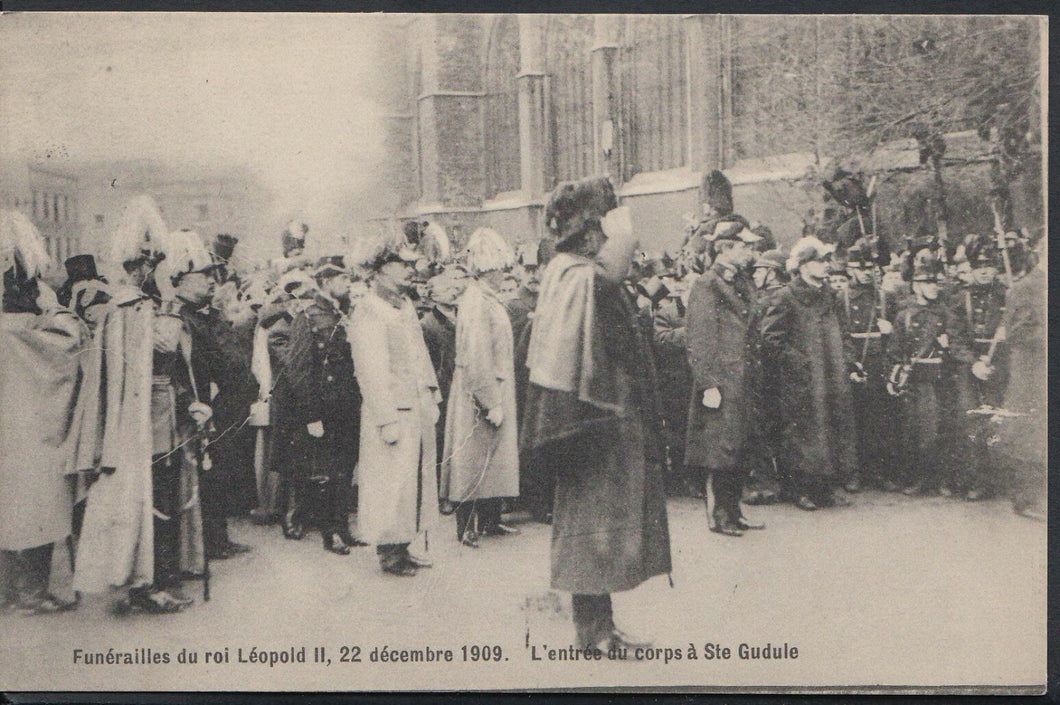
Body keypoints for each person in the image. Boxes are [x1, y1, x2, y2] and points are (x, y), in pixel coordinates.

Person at [522, 176, 671, 650]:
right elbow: (609, 275)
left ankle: (598, 627)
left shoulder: (575, 272)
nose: (607, 238)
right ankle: (593, 632)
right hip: (588, 421)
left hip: (599, 417)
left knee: (598, 527)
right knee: (591, 527)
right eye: (602, 229)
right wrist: (625, 231)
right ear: (589, 233)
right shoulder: (574, 272)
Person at [74, 196, 207, 614]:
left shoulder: (142, 306)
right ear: (139, 267)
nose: (154, 270)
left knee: (164, 496)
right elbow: (161, 349)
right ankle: (146, 583)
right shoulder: (130, 308)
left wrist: (189, 402)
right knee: (150, 499)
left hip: (163, 413)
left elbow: (172, 362)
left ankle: (159, 577)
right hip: (141, 420)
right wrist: (171, 310)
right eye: (150, 264)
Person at [0, 210, 83, 614]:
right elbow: (68, 344)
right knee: (37, 501)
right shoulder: (40, 306)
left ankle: (9, 593)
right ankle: (31, 592)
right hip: (32, 424)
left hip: (16, 424)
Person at [348, 232, 441, 577]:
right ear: (381, 269)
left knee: (411, 482)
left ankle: (404, 544)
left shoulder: (404, 305)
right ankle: (389, 552)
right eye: (401, 263)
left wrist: (431, 392)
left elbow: (420, 353)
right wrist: (386, 418)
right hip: (391, 411)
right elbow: (371, 370)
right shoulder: (369, 309)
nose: (409, 269)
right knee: (391, 484)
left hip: (414, 405)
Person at [759, 236, 857, 511]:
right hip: (801, 379)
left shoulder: (831, 297)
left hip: (831, 375)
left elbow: (844, 333)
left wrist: (847, 360)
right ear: (802, 266)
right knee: (802, 432)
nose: (826, 266)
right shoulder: (786, 297)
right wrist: (797, 362)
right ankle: (800, 489)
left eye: (827, 260)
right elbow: (770, 339)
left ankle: (826, 487)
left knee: (831, 428)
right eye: (820, 261)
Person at [276, 256, 364, 554]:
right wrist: (311, 414)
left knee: (345, 469)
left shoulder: (343, 312)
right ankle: (331, 533)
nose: (348, 284)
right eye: (342, 279)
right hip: (324, 408)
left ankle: (343, 526)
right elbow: (299, 369)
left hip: (347, 404)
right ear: (326, 282)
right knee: (326, 471)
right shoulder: (308, 316)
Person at [440, 227, 520, 547]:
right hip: (479, 390)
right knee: (472, 459)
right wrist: (490, 400)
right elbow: (477, 355)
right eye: (499, 270)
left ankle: (490, 519)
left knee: (492, 458)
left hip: (495, 385)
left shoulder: (487, 299)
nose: (503, 275)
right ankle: (466, 526)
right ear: (488, 270)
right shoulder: (476, 301)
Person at [684, 220, 764, 536]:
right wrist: (708, 384)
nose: (750, 251)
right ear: (726, 248)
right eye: (745, 246)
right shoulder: (707, 285)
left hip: (743, 378)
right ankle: (719, 515)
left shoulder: (741, 282)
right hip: (722, 380)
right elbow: (700, 339)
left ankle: (734, 511)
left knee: (739, 445)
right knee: (720, 449)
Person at [887, 248, 975, 496]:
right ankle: (919, 478)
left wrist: (948, 347)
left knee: (941, 430)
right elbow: (895, 351)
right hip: (916, 380)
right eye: (927, 282)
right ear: (916, 285)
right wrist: (894, 375)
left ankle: (942, 480)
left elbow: (957, 346)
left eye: (936, 282)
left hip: (941, 378)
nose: (933, 287)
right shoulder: (904, 315)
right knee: (916, 431)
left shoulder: (946, 313)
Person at [836, 238, 897, 492]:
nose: (867, 273)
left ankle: (878, 472)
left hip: (878, 363)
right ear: (850, 269)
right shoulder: (841, 298)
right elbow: (839, 336)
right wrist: (850, 363)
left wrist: (889, 331)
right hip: (853, 364)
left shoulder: (885, 297)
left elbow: (899, 335)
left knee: (879, 419)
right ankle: (851, 473)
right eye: (860, 268)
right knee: (851, 420)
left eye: (871, 268)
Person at [951, 233, 1009, 500]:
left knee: (998, 420)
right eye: (979, 266)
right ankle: (976, 480)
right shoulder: (961, 299)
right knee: (971, 421)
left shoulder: (1007, 295)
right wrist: (973, 362)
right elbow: (956, 339)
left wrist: (1007, 336)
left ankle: (999, 480)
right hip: (970, 366)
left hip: (1000, 365)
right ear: (972, 268)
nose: (984, 271)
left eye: (989, 266)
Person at [993, 240, 1045, 519]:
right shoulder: (1026, 288)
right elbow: (1015, 333)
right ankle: (1026, 500)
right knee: (1029, 434)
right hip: (1031, 374)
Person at [743, 249, 789, 505]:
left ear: (771, 273)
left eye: (759, 270)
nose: (755, 275)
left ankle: (767, 482)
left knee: (765, 426)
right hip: (769, 370)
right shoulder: (768, 296)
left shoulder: (774, 298)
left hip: (769, 371)